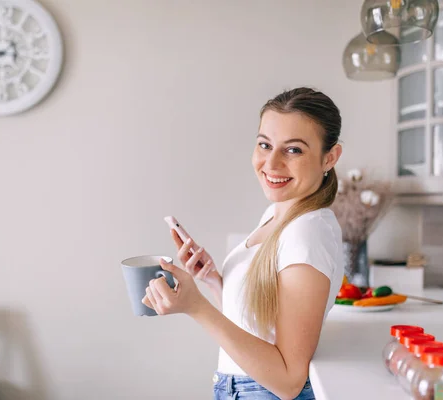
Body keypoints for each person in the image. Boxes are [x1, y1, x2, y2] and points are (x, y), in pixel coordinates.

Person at [142, 87, 344, 400]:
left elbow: (289, 380)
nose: (271, 163)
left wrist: (196, 307)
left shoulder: (307, 234)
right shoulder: (278, 215)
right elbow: (260, 326)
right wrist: (213, 281)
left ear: (329, 157)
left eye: (293, 150)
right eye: (265, 145)